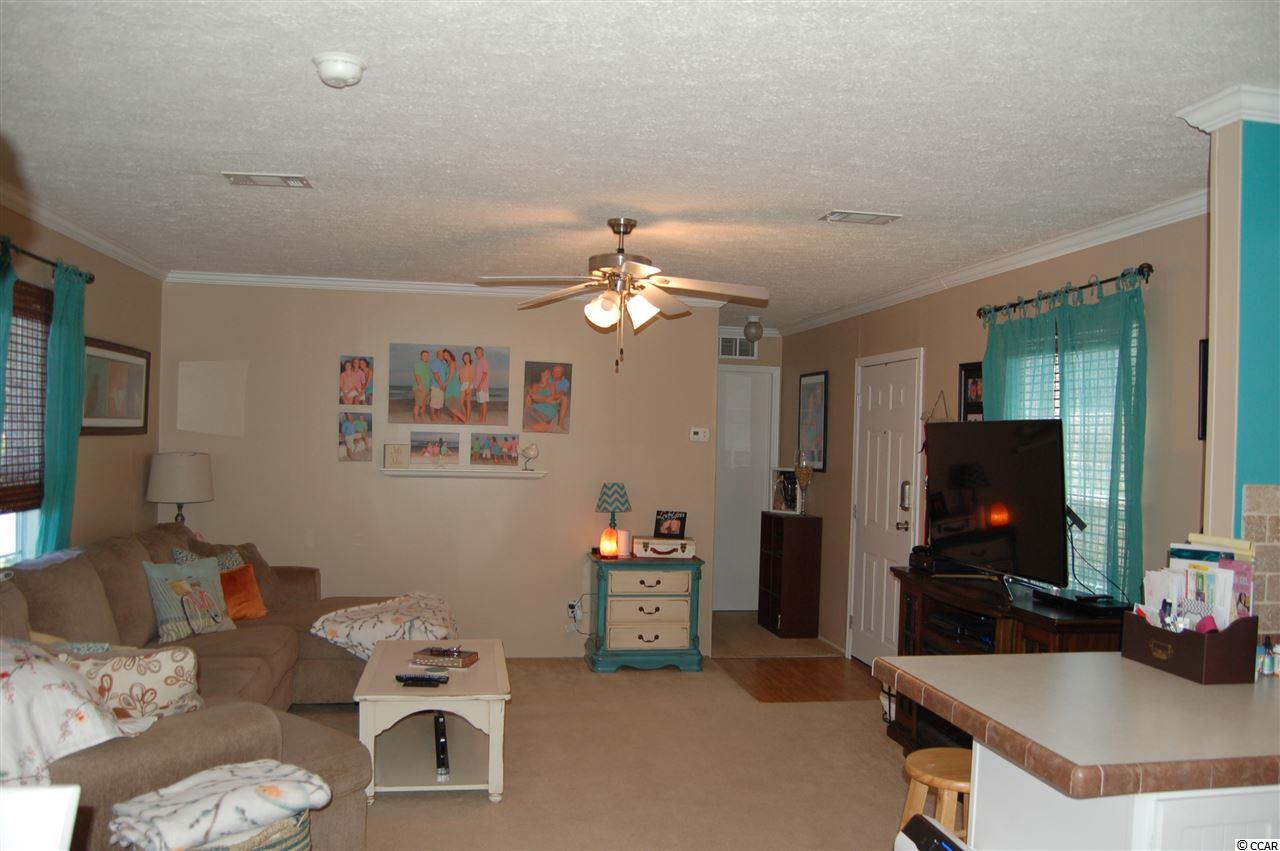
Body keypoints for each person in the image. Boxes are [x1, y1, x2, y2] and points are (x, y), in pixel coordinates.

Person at [524, 367, 561, 432]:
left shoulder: (552, 385)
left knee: (526, 414)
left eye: (549, 372)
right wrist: (545, 399)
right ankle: (546, 427)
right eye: (547, 372)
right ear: (542, 373)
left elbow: (552, 398)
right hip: (538, 408)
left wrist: (539, 398)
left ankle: (539, 426)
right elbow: (534, 398)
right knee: (527, 405)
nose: (549, 373)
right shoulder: (535, 385)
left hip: (549, 408)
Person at [441, 349, 465, 423]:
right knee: (453, 405)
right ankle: (456, 419)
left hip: (453, 385)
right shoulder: (448, 364)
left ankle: (464, 419)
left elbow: (451, 375)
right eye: (444, 355)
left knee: (449, 404)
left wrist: (445, 384)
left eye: (447, 354)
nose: (445, 356)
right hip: (450, 385)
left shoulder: (452, 363)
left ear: (450, 355)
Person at [413, 350, 432, 423]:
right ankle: (416, 418)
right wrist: (420, 385)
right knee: (417, 404)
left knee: (424, 404)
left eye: (427, 355)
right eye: (424, 355)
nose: (426, 357)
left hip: (427, 388)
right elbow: (417, 376)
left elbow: (428, 377)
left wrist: (429, 388)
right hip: (420, 388)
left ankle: (422, 416)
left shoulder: (427, 366)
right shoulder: (418, 365)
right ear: (421, 357)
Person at [429, 349, 448, 422]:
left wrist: (444, 385)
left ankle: (439, 415)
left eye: (443, 354)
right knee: (434, 403)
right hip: (436, 386)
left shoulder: (443, 363)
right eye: (440, 354)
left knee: (440, 402)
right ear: (437, 355)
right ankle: (432, 417)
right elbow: (435, 374)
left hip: (441, 386)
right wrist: (441, 384)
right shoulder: (436, 362)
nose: (442, 355)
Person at [551, 363, 571, 429]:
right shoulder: (548, 378)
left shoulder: (565, 382)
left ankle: (560, 422)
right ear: (552, 372)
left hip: (557, 399)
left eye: (559, 372)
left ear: (562, 374)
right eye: (555, 371)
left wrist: (555, 399)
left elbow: (561, 393)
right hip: (546, 397)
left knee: (565, 399)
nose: (556, 373)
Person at [473, 346, 490, 423]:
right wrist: (475, 385)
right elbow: (476, 375)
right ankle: (480, 417)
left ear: (482, 352)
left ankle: (483, 419)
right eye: (476, 352)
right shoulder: (478, 362)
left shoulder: (484, 361)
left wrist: (480, 385)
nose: (477, 353)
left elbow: (485, 374)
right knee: (480, 403)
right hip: (478, 386)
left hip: (482, 386)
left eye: (479, 351)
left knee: (483, 403)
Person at [459, 351, 475, 423]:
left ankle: (468, 419)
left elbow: (472, 377)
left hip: (469, 384)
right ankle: (465, 417)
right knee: (461, 402)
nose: (466, 358)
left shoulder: (471, 366)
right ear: (463, 358)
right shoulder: (462, 366)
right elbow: (460, 376)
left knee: (468, 402)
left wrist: (468, 387)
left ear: (469, 358)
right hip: (462, 384)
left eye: (467, 357)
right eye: (465, 357)